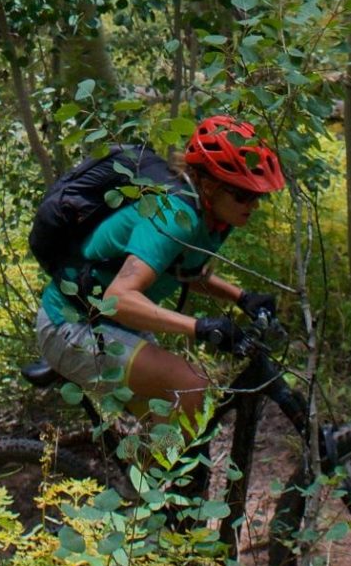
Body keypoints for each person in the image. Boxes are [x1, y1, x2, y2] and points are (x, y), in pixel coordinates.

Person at [32, 115, 287, 428]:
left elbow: (179, 269)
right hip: (72, 322)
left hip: (113, 323)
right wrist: (199, 326)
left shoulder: (214, 217)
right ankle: (147, 475)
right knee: (191, 387)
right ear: (208, 185)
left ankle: (152, 465)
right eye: (243, 195)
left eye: (257, 195)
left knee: (181, 421)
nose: (253, 205)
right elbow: (120, 297)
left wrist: (242, 297)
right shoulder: (174, 215)